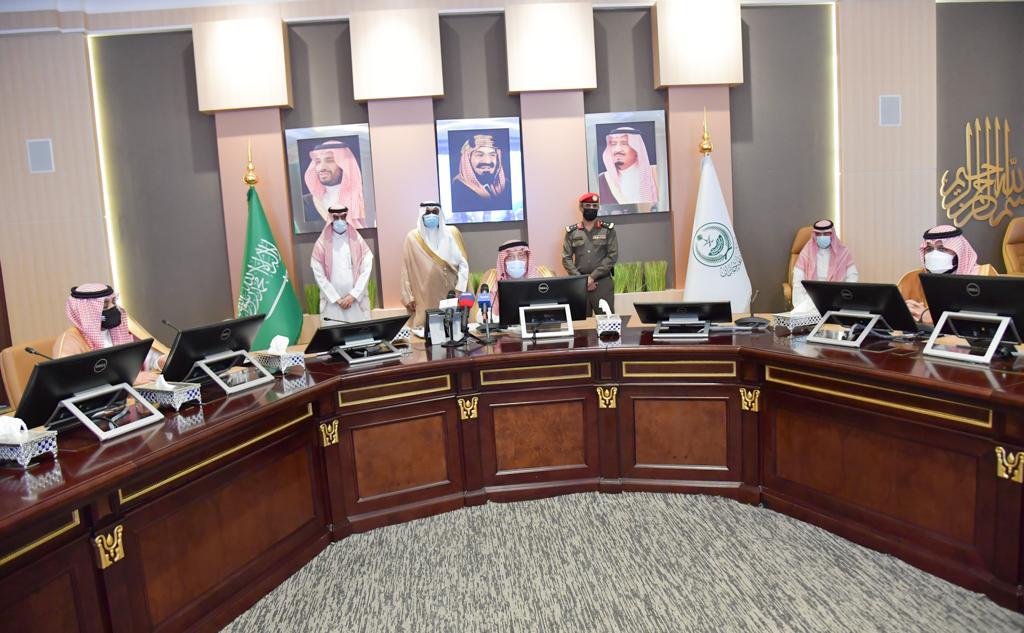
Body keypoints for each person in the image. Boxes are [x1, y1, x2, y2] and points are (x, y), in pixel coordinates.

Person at [53, 284, 165, 385]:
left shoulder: (121, 328)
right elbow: (69, 383)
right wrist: (127, 379)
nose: (113, 308)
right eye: (105, 305)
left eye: (113, 302)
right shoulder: (71, 341)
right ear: (87, 312)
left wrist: (158, 362)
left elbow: (145, 357)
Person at [902, 225, 997, 324]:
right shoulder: (912, 278)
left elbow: (987, 321)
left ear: (959, 252)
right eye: (929, 249)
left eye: (942, 249)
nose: (934, 255)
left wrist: (930, 316)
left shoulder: (982, 275)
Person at [401, 201, 470, 328]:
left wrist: (460, 289)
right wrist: (408, 297)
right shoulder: (412, 238)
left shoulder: (452, 233)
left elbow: (463, 264)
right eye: (427, 212)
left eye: (435, 211)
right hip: (425, 296)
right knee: (428, 329)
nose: (431, 215)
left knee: (454, 328)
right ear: (422, 214)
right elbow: (406, 269)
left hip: (452, 293)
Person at [310, 207, 374, 324]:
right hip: (333, 305)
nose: (340, 220)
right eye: (336, 217)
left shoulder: (357, 240)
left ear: (347, 217)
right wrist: (337, 299)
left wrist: (353, 295)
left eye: (343, 217)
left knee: (358, 333)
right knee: (334, 334)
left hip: (355, 303)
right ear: (331, 218)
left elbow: (366, 269)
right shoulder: (321, 244)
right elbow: (318, 274)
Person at [472, 240, 555, 323]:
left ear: (528, 258)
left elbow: (555, 310)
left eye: (521, 256)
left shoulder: (542, 274)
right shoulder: (492, 276)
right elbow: (480, 316)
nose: (516, 261)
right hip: (502, 329)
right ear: (503, 261)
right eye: (510, 257)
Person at [563, 192, 618, 316]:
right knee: (581, 323)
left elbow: (612, 256)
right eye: (588, 205)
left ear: (598, 208)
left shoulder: (608, 230)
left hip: (602, 283)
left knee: (606, 322)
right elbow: (566, 258)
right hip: (579, 284)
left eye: (594, 206)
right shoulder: (572, 232)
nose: (591, 208)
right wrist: (582, 280)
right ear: (581, 207)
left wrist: (592, 277)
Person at [791, 219, 859, 310]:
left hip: (836, 299)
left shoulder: (843, 252)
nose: (822, 237)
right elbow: (797, 280)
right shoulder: (806, 253)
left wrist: (843, 296)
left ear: (832, 234)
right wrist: (800, 305)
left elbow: (853, 275)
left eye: (826, 234)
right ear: (815, 235)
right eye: (819, 234)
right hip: (811, 299)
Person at [302, 140, 366, 227]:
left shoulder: (361, 199)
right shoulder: (305, 203)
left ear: (344, 165)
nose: (322, 167)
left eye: (329, 161)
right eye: (318, 162)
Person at [597, 127, 658, 206]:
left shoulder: (656, 173)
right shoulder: (602, 179)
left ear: (637, 148)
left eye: (624, 143)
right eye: (613, 144)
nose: (617, 149)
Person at [451, 134, 510, 213]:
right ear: (467, 159)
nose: (487, 161)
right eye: (479, 155)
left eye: (492, 155)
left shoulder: (507, 185)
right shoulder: (456, 188)